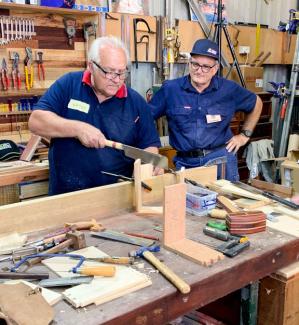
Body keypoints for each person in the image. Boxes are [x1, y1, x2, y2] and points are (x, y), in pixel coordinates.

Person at [29, 36, 161, 195]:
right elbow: (35, 122)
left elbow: (150, 146)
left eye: (121, 72)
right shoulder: (69, 84)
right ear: (91, 66)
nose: (116, 80)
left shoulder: (136, 103)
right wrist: (77, 128)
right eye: (109, 72)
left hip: (116, 196)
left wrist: (150, 165)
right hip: (66, 194)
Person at [149, 38, 262, 181]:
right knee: (186, 203)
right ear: (189, 63)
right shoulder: (171, 89)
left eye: (206, 67)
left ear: (214, 69)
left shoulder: (228, 89)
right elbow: (146, 118)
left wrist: (244, 135)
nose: (199, 70)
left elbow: (257, 103)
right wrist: (153, 148)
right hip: (186, 163)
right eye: (195, 64)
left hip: (221, 161)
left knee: (226, 202)